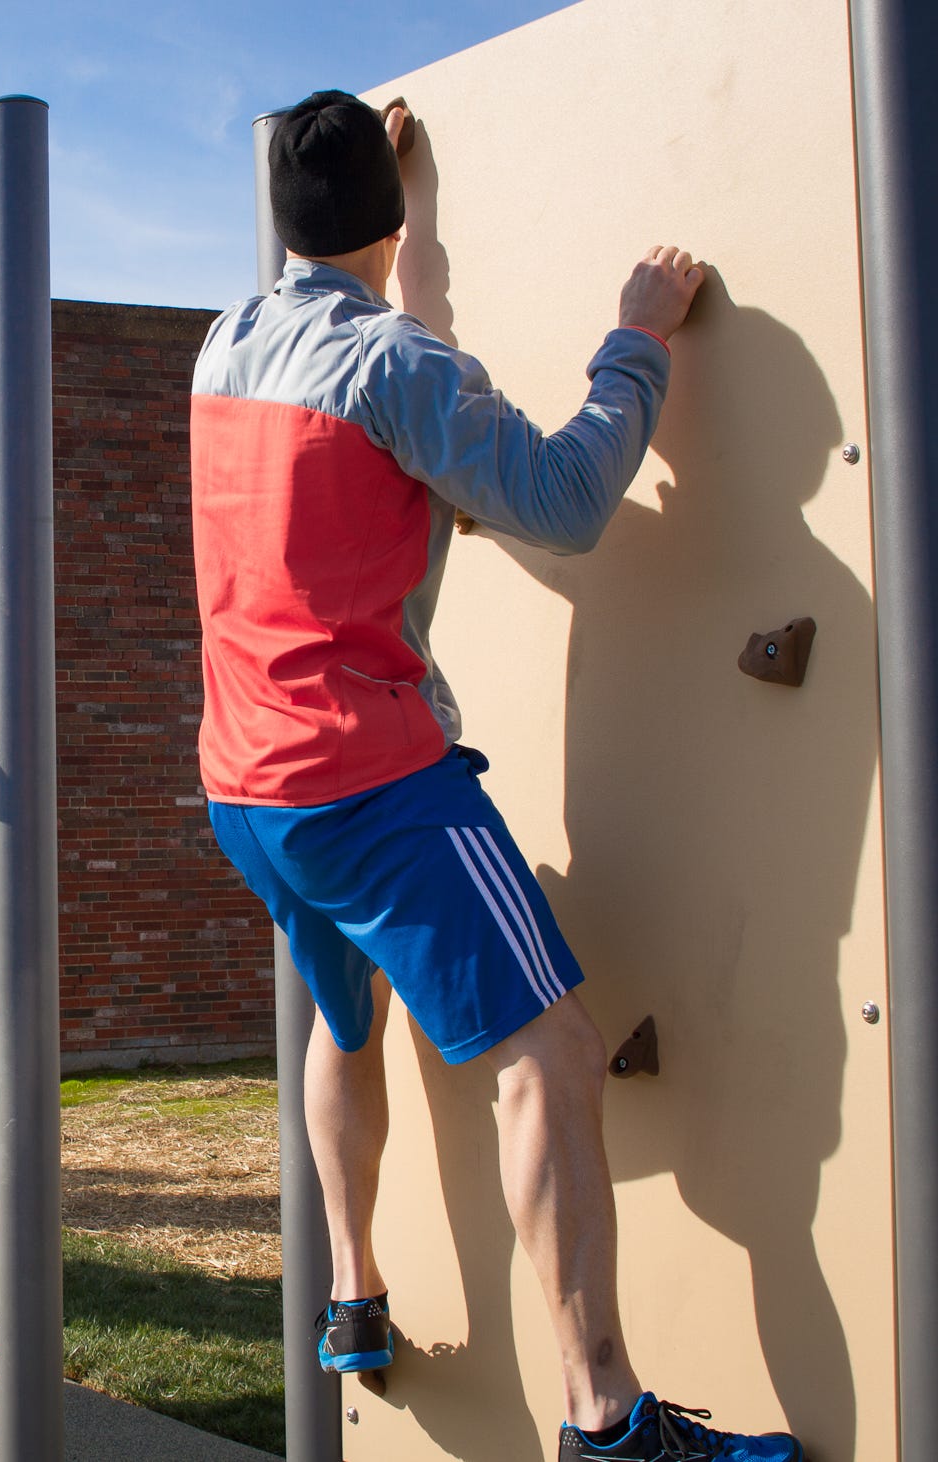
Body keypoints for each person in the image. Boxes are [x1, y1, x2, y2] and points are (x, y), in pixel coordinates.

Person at [191, 90, 802, 1462]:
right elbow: (570, 502)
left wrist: (400, 236)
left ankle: (351, 1290)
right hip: (373, 785)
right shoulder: (402, 369)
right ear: (388, 218)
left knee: (344, 1023)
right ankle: (606, 1420)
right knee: (558, 1055)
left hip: (249, 783)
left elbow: (357, 357)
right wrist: (637, 340)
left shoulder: (226, 344)